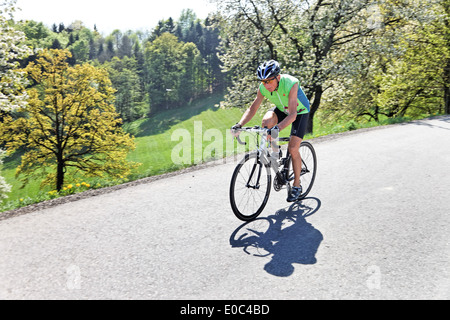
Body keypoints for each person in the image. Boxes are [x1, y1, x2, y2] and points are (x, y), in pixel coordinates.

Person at [231, 60, 310, 202]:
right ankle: (275, 152)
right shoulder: (263, 88)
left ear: (278, 77)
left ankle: (297, 185)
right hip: (282, 109)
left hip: (299, 112)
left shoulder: (291, 83)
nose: (266, 85)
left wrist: (277, 128)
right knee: (266, 122)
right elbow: (253, 108)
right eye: (263, 81)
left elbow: (292, 115)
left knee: (293, 148)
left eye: (269, 81)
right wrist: (239, 124)